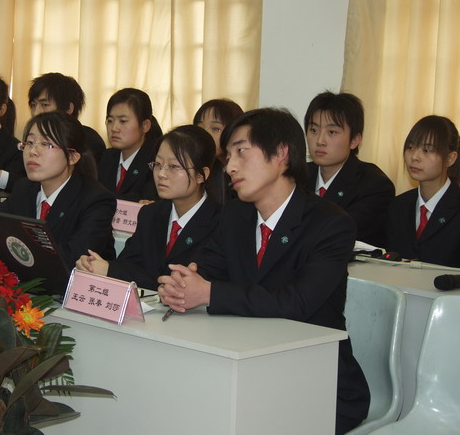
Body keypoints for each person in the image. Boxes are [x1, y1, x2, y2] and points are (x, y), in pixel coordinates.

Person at [159, 108, 370, 435]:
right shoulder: (235, 216)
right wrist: (181, 285)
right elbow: (205, 269)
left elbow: (297, 301)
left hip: (317, 382)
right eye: (228, 156)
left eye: (241, 151)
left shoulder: (330, 224)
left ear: (281, 153)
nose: (230, 166)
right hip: (246, 366)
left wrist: (209, 293)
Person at [76, 125, 220, 290]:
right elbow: (128, 264)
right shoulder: (151, 214)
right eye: (158, 164)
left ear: (202, 175)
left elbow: (189, 283)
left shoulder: (220, 222)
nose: (161, 174)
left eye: (174, 166)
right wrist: (101, 266)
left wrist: (110, 270)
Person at [0, 111, 116, 270]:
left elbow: (74, 257)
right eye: (30, 142)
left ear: (72, 157)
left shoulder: (96, 201)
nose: (33, 151)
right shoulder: (24, 188)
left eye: (46, 144)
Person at [303, 91, 395, 247]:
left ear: (354, 140)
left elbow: (338, 233)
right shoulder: (295, 177)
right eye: (314, 130)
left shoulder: (374, 185)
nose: (320, 141)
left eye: (332, 132)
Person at [386, 115, 460, 267]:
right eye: (410, 147)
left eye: (427, 150)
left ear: (450, 158)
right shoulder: (398, 205)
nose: (414, 157)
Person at [98, 88, 162, 202]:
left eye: (123, 121)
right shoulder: (107, 157)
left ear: (145, 126)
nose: (114, 128)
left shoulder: (156, 161)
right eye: (110, 120)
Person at [28, 72, 106, 163]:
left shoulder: (88, 141)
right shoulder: (32, 137)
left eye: (45, 105)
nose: (36, 112)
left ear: (68, 108)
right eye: (33, 105)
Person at [193, 98, 243, 204]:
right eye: (200, 128)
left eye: (216, 129)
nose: (205, 134)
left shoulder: (244, 173)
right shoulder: (198, 171)